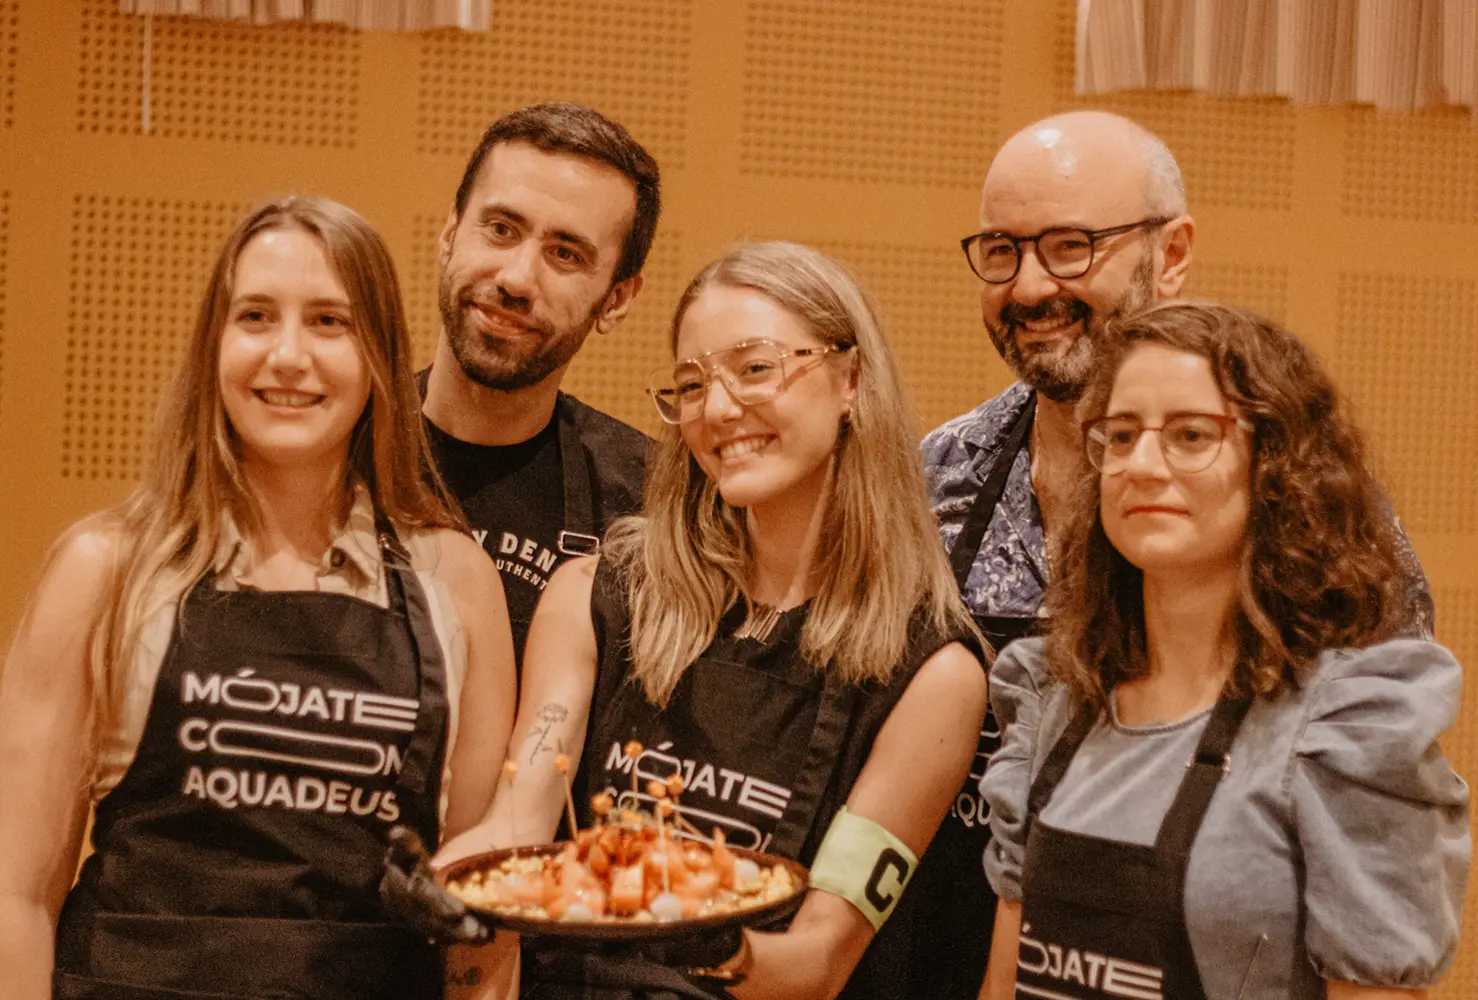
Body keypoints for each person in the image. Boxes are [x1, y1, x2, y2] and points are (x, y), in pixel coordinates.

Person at [916, 110, 1434, 1000]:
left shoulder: (1315, 519)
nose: (1030, 285)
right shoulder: (936, 474)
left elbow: (1364, 845)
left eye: (1071, 246)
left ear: (1174, 251)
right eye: (1002, 251)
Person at [436, 241, 989, 1000]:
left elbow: (821, 960)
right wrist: (436, 885)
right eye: (692, 385)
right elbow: (518, 825)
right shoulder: (596, 592)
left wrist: (714, 942)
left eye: (755, 368)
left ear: (852, 379)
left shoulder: (935, 675)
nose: (719, 410)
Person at [0, 196, 516, 999]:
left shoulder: (459, 580)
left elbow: (480, 920)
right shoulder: (102, 571)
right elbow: (18, 897)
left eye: (329, 322)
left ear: (379, 354)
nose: (287, 355)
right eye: (255, 317)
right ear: (214, 342)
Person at [979, 300, 1469, 1000]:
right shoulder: (1056, 700)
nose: (1142, 465)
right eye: (1122, 435)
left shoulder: (1345, 729)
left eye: (1190, 435)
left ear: (1275, 466)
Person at [421, 102, 661, 663]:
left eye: (565, 254)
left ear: (617, 299)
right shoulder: (330, 452)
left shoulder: (653, 508)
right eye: (501, 230)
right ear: (450, 235)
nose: (517, 279)